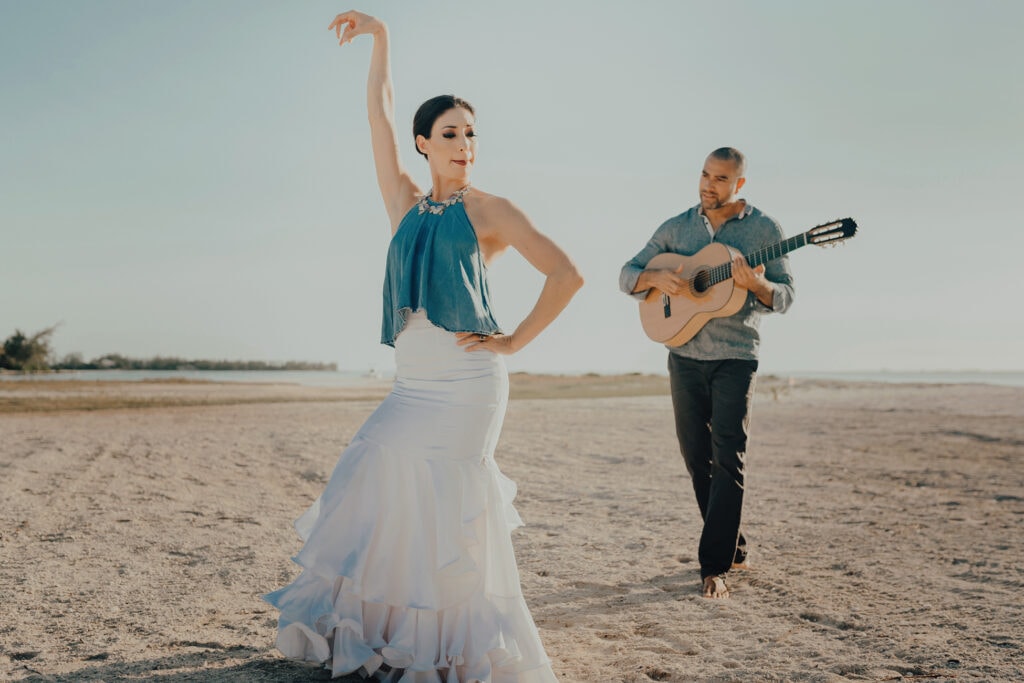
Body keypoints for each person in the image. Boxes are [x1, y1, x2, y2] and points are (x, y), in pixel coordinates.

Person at [263, 10, 582, 682]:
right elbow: (378, 115)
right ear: (423, 143)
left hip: (469, 386)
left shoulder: (491, 210)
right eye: (450, 134)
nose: (465, 144)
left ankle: (452, 648)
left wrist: (514, 339)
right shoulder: (403, 202)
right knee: (373, 474)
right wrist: (382, 40)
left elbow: (566, 273)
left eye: (471, 134)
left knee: (448, 516)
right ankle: (391, 633)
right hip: (411, 385)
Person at [618, 148, 794, 599]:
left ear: (740, 185)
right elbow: (627, 274)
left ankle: (713, 566)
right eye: (704, 174)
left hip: (737, 356)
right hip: (683, 353)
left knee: (728, 455)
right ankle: (733, 546)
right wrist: (659, 281)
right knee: (696, 455)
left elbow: (785, 296)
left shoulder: (765, 230)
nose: (708, 185)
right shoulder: (676, 227)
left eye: (720, 178)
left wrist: (755, 285)